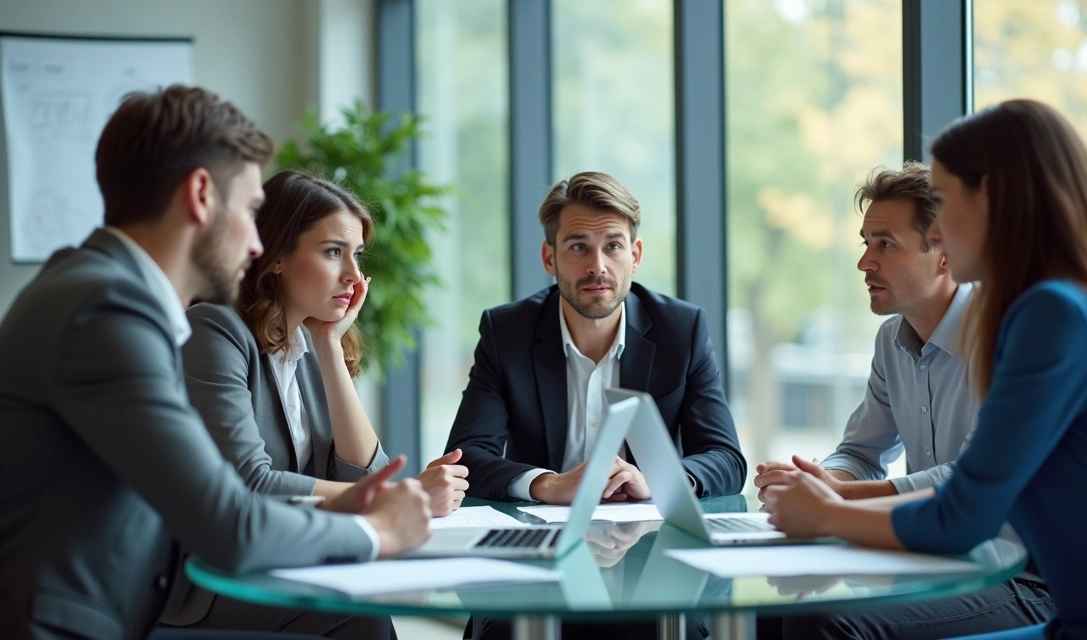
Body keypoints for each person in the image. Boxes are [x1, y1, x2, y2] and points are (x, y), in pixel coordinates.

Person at [764, 99, 1087, 639]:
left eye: (946, 200)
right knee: (791, 618)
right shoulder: (1059, 305)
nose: (939, 231)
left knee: (824, 624)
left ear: (994, 203)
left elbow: (963, 515)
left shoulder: (1055, 315)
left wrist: (827, 512)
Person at [0, 85, 432, 640]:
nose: (257, 244)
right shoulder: (108, 312)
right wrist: (378, 533)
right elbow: (230, 519)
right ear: (201, 195)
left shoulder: (97, 289)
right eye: (252, 211)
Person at [159, 170, 468, 638]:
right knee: (360, 615)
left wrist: (328, 346)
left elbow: (360, 473)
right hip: (209, 575)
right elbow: (250, 482)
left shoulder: (305, 346)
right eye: (332, 252)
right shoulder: (215, 330)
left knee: (378, 599)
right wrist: (391, 499)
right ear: (278, 256)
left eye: (357, 256)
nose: (353, 275)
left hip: (286, 553)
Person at [754, 163, 1053, 638]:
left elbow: (963, 481)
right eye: (866, 242)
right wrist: (816, 479)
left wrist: (827, 500)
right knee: (777, 603)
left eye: (885, 244)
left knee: (824, 621)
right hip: (937, 559)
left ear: (945, 255)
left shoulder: (1003, 338)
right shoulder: (891, 339)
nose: (864, 262)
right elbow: (860, 452)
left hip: (1026, 579)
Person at [447, 171, 745, 639]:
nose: (598, 266)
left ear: (636, 255)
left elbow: (726, 458)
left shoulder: (681, 330)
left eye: (613, 246)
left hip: (650, 558)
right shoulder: (507, 333)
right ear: (550, 258)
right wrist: (548, 485)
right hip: (539, 560)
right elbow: (467, 457)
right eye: (578, 246)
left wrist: (658, 481)